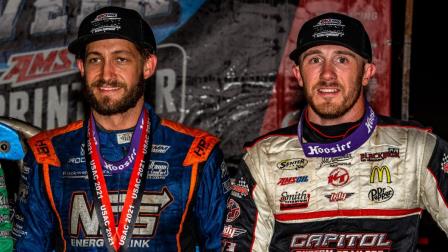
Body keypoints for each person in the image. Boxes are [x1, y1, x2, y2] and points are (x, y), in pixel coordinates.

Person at [221, 12, 448, 251]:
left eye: (342, 59)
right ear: (298, 74)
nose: (327, 74)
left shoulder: (418, 149)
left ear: (367, 73)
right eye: (315, 60)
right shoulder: (263, 158)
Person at [12, 6, 230, 251]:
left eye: (120, 59)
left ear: (147, 66)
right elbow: (28, 246)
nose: (106, 74)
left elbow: (222, 245)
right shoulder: (47, 154)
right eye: (96, 59)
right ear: (82, 67)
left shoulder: (195, 154)